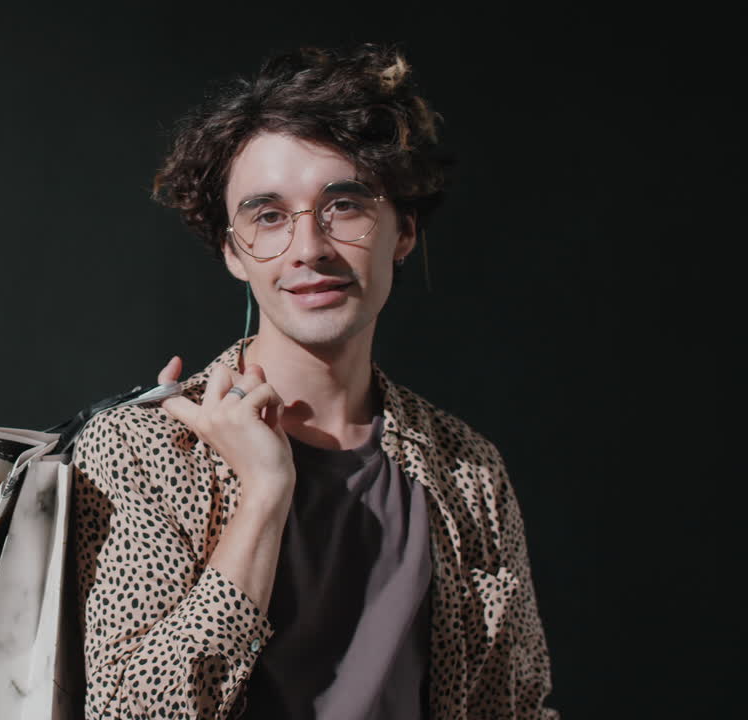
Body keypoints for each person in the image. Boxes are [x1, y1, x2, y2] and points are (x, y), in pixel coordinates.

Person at [70, 45, 557, 719]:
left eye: (345, 205)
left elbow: (517, 708)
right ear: (233, 252)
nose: (309, 248)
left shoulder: (468, 472)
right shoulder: (143, 449)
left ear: (404, 230)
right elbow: (133, 712)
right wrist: (265, 495)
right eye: (268, 216)